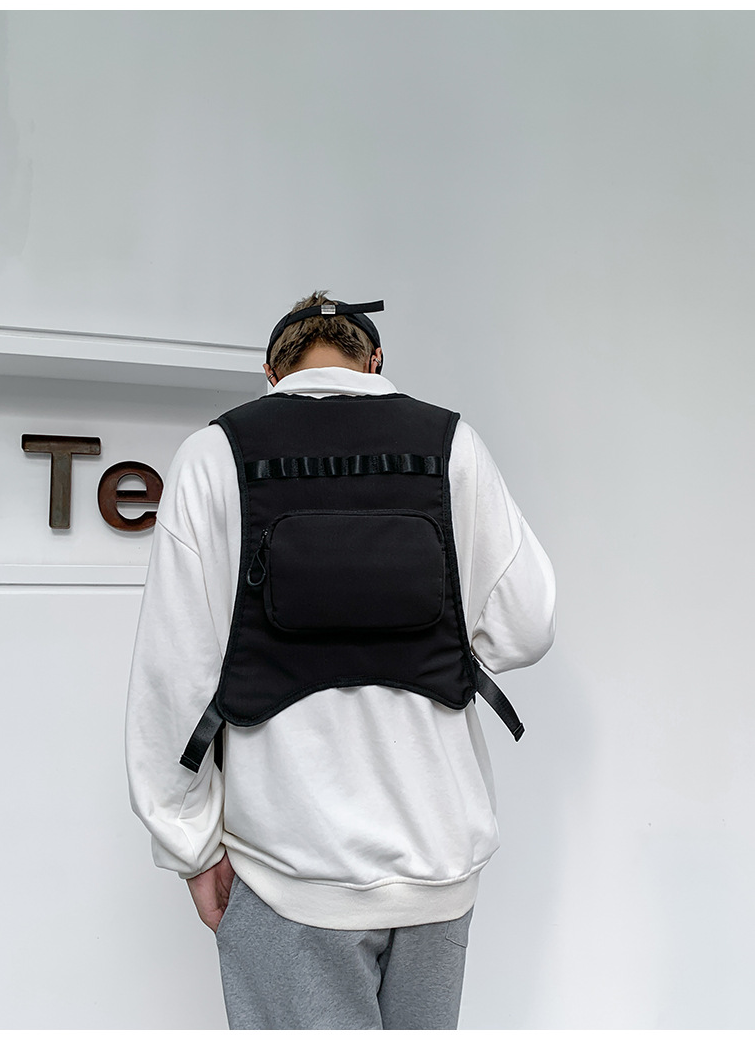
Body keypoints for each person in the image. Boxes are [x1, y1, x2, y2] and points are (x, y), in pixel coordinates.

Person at [125, 291, 556, 1030]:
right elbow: (527, 625)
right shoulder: (450, 444)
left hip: (288, 866)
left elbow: (174, 674)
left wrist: (189, 844)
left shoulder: (214, 454)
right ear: (375, 359)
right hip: (438, 860)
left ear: (272, 371)